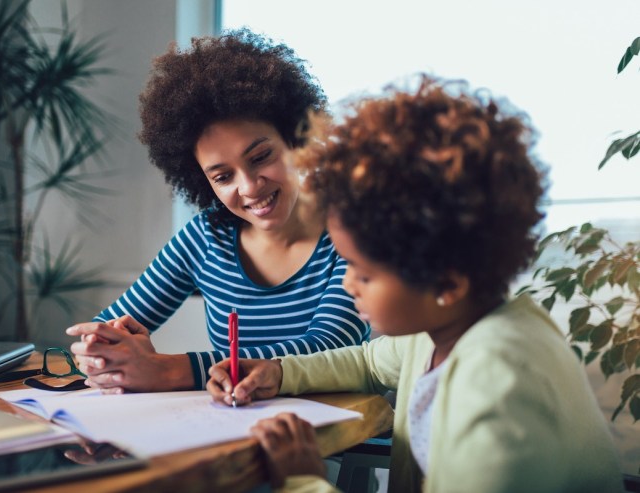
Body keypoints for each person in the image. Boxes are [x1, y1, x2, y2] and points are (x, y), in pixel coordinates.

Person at [207, 78, 624, 492]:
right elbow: (369, 363)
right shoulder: (449, 326)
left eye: (364, 272)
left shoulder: (497, 389)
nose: (348, 283)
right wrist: (277, 373)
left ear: (448, 280)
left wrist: (303, 479)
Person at [65, 29, 369, 394]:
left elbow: (329, 350)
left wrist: (168, 370)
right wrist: (104, 351)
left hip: (327, 438)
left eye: (261, 157)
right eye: (223, 176)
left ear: (294, 138)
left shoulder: (351, 231)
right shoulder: (206, 236)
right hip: (228, 429)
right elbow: (108, 324)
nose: (250, 186)